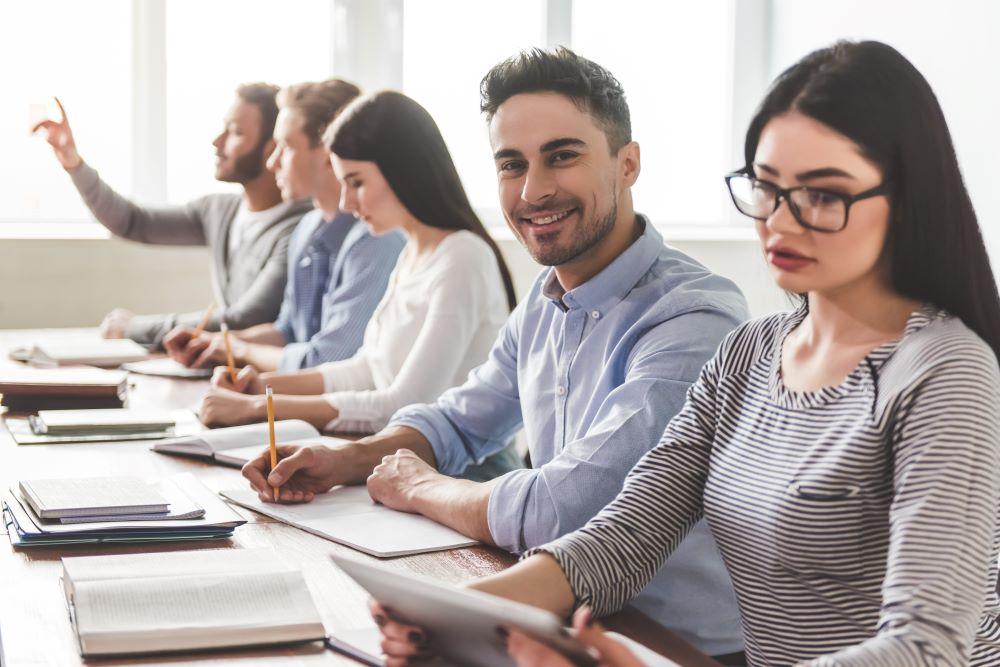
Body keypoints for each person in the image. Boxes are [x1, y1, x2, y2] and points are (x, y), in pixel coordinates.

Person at [375, 41, 1000, 666]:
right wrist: (452, 616)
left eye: (822, 193)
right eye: (767, 188)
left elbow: (925, 648)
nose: (780, 222)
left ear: (906, 196)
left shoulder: (945, 372)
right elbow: (624, 536)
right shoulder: (750, 354)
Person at [242, 49, 749, 660]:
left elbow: (566, 508)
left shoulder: (696, 316)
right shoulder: (545, 297)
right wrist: (346, 460)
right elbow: (460, 418)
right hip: (553, 620)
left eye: (562, 156)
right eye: (512, 165)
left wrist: (424, 487)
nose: (533, 190)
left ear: (628, 163)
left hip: (663, 646)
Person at [199, 90, 519, 449]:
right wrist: (263, 385)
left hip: (460, 473)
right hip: (393, 456)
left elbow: (401, 406)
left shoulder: (462, 258)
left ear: (402, 171)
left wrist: (258, 407)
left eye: (356, 183)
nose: (346, 203)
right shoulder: (413, 252)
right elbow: (367, 370)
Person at [32, 85, 311, 348]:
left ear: (272, 147)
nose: (217, 141)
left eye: (235, 132)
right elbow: (132, 222)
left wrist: (135, 327)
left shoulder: (301, 228)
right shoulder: (218, 210)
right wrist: (74, 163)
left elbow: (247, 317)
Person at [163, 79, 404, 372]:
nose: (272, 163)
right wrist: (217, 342)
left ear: (329, 153)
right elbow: (287, 331)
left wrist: (239, 348)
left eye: (286, 147)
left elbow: (329, 361)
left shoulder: (376, 239)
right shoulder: (306, 229)